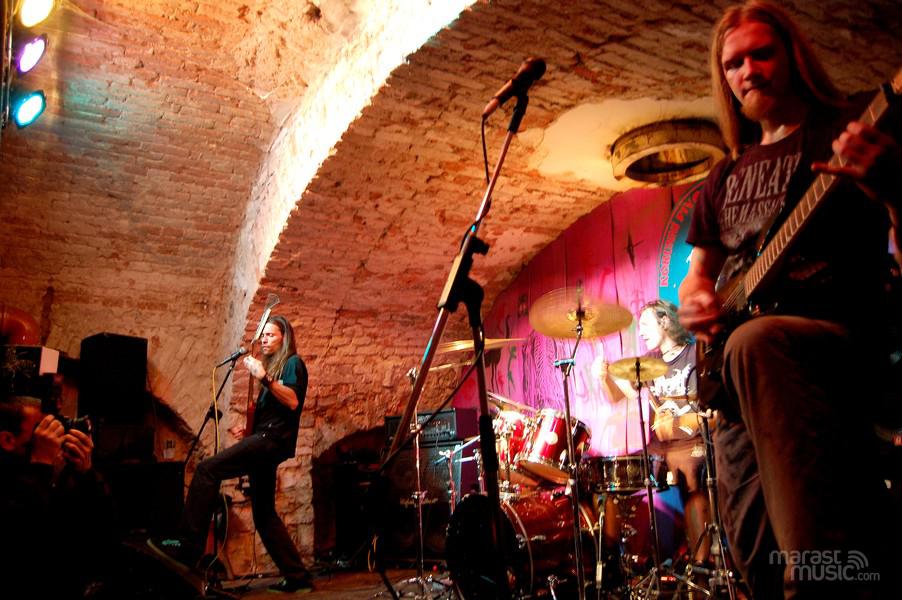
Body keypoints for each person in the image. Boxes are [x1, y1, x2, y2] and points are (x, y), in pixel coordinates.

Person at [677, 1, 900, 597]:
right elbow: (698, 274)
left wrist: (894, 189)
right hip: (738, 377)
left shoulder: (848, 128)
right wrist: (695, 297)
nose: (748, 70)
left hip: (831, 347)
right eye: (733, 63)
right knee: (755, 559)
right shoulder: (725, 174)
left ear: (794, 56)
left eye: (761, 54)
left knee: (757, 340)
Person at [149, 315, 314, 594]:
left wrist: (265, 378)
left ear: (284, 338)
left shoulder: (292, 363)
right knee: (264, 514)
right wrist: (247, 431)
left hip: (270, 441)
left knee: (207, 469)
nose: (264, 339)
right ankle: (298, 577)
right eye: (263, 335)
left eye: (270, 335)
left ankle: (188, 548)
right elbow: (272, 413)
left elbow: (293, 401)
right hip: (264, 440)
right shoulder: (273, 368)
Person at [601, 300, 711, 568]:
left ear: (665, 321)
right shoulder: (649, 362)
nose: (641, 332)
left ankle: (702, 562)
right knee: (614, 477)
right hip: (659, 447)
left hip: (693, 441)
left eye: (646, 324)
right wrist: (605, 377)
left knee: (690, 471)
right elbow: (621, 395)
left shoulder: (694, 353)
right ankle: (614, 563)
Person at [0, 395, 113, 598]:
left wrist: (87, 474)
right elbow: (28, 542)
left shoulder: (52, 476)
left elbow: (103, 534)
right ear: (8, 440)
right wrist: (40, 465)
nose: (50, 439)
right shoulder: (23, 482)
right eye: (40, 431)